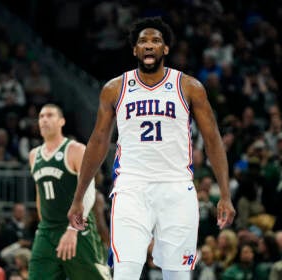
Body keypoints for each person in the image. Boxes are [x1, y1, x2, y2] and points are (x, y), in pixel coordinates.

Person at [67, 17, 236, 280]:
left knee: (178, 276)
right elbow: (98, 142)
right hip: (131, 188)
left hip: (177, 188)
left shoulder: (189, 87)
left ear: (165, 49)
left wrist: (224, 193)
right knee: (125, 272)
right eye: (143, 41)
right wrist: (79, 197)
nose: (149, 45)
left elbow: (213, 139)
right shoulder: (115, 89)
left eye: (156, 41)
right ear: (134, 49)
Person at [28, 104, 111, 279]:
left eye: (50, 115)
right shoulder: (34, 155)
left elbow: (89, 193)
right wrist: (42, 227)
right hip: (47, 232)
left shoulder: (75, 150)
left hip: (78, 230)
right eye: (41, 116)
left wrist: (73, 229)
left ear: (61, 121)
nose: (44, 119)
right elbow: (39, 195)